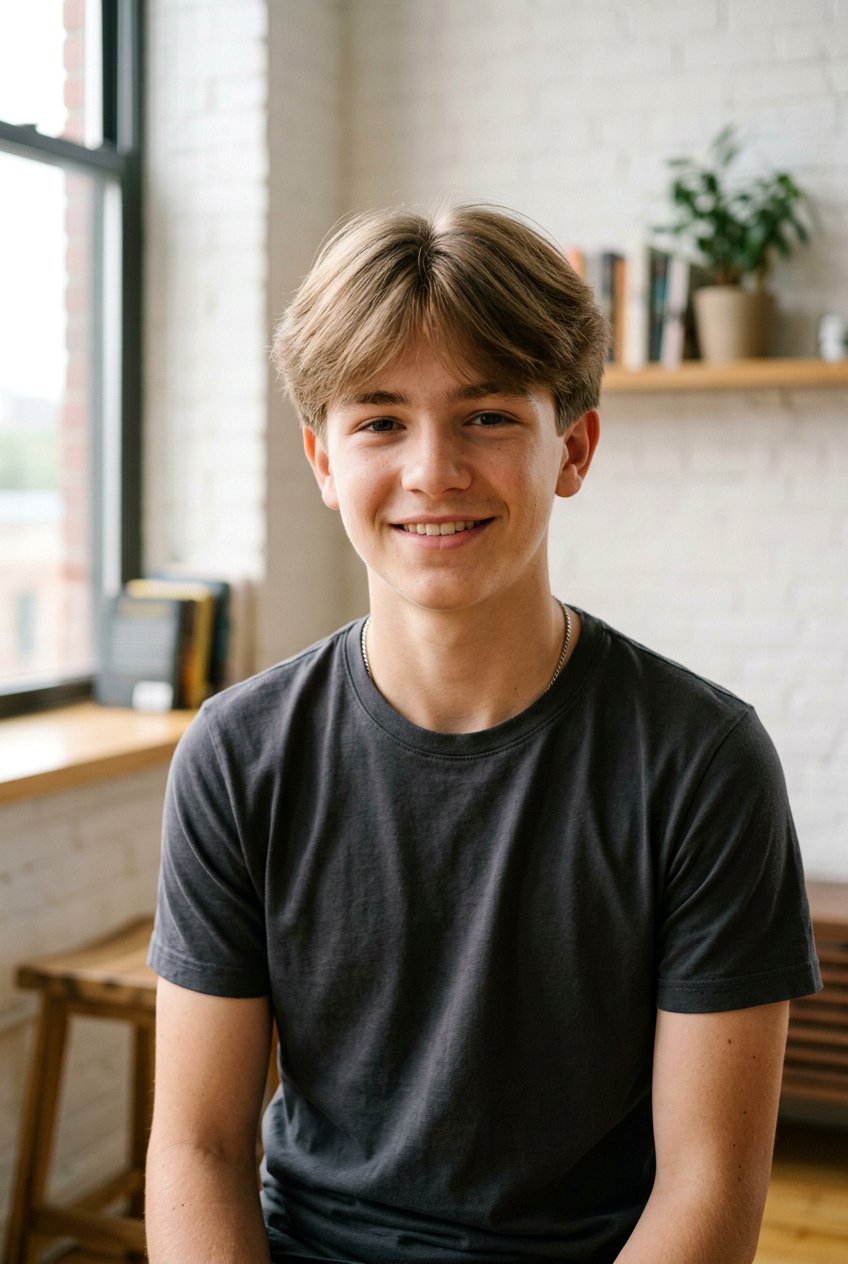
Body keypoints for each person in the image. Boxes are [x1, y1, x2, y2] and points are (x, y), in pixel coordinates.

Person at [145, 204, 821, 1264]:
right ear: (322, 461)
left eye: (488, 416)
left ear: (573, 448)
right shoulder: (237, 756)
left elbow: (710, 1185)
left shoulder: (702, 762)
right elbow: (198, 1147)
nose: (432, 470)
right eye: (380, 422)